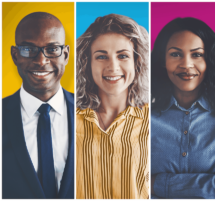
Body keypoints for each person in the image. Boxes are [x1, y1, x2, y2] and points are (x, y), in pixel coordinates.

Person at [76, 14, 149, 199]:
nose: (113, 67)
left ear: (137, 62)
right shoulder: (67, 119)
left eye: (123, 56)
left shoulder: (155, 119)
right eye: (101, 56)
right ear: (88, 63)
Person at [2, 12, 74, 199]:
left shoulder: (92, 111)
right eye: (28, 49)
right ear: (15, 55)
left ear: (65, 55)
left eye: (52, 49)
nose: (41, 61)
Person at [151, 17, 215, 199]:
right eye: (175, 54)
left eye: (197, 54)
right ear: (162, 60)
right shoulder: (142, 116)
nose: (186, 65)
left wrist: (156, 184)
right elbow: (130, 181)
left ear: (209, 60)